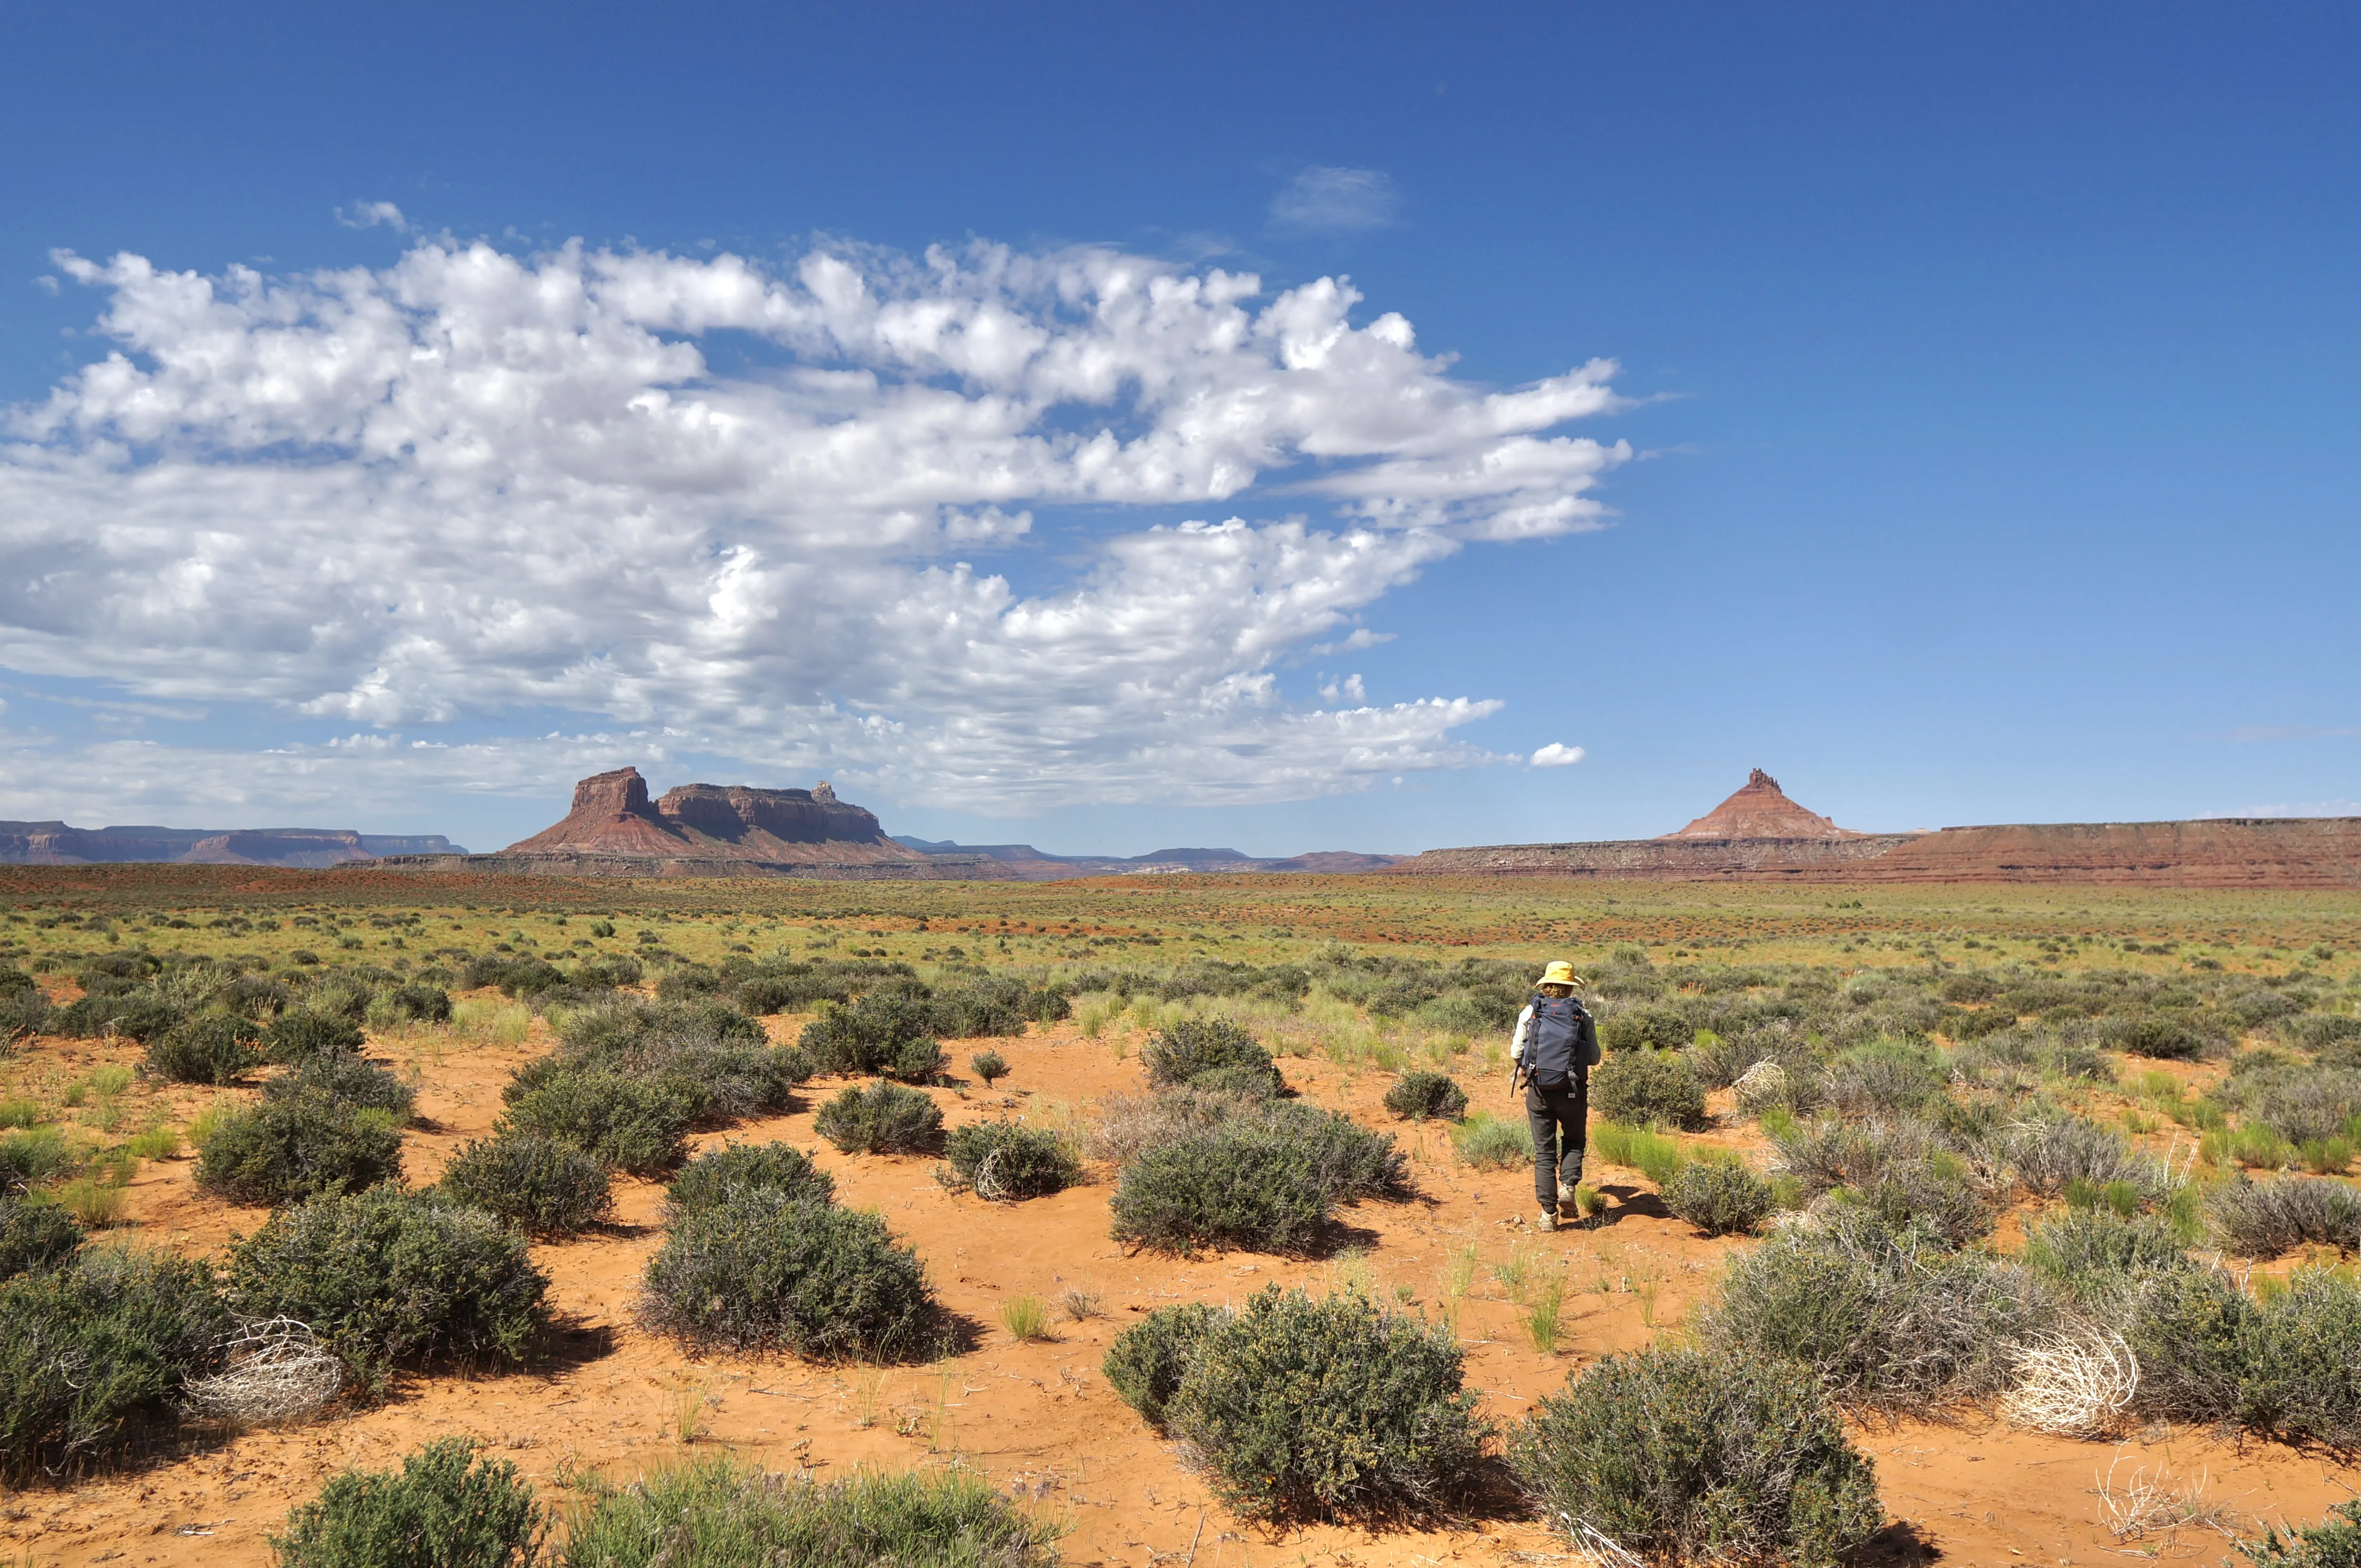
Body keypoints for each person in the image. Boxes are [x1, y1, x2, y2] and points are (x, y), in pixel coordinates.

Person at [1509, 960, 1600, 1232]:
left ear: (1546, 985)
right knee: (1574, 1140)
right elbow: (1594, 1058)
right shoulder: (1583, 1015)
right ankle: (1568, 1186)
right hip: (1572, 1091)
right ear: (1571, 988)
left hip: (1539, 1091)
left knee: (1544, 1153)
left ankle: (1548, 1215)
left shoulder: (1530, 1012)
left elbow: (1515, 1053)